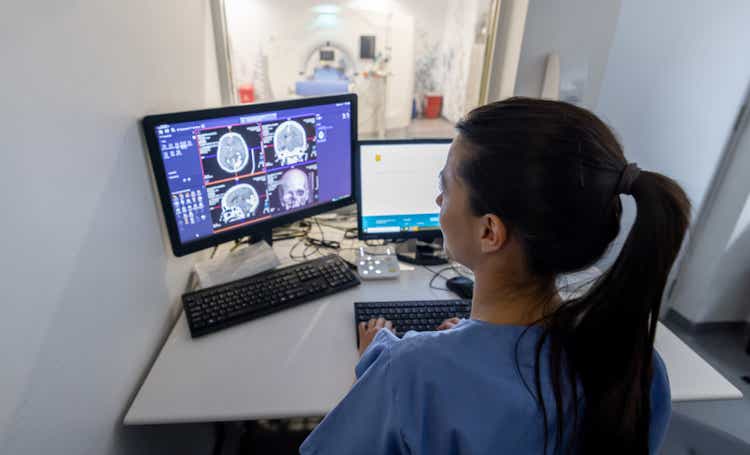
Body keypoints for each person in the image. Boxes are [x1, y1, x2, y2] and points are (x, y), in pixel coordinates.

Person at [300, 98, 690, 454]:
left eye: (445, 187)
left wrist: (373, 368)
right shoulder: (637, 371)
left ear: (490, 231)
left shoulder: (409, 373)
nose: (438, 201)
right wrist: (466, 346)